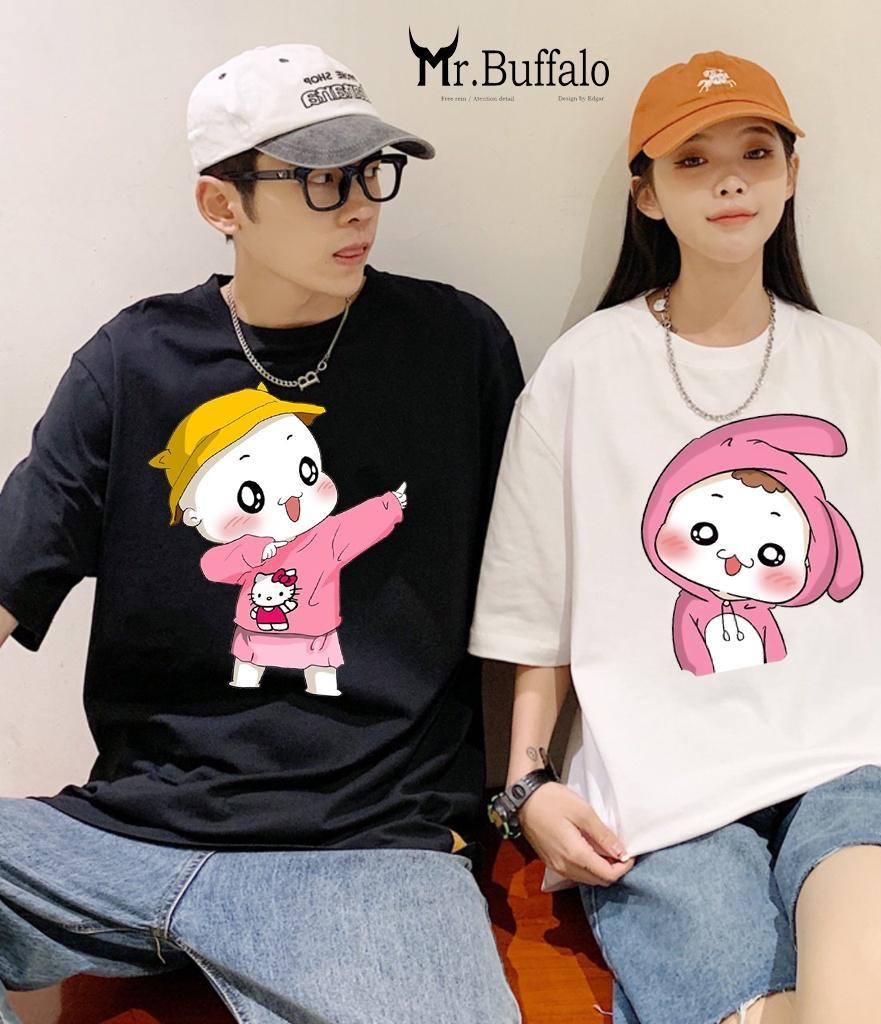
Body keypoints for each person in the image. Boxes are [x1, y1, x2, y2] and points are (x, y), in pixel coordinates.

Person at [469, 50, 881, 1024]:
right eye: (692, 159)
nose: (729, 180)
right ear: (646, 194)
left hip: (864, 771)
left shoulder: (857, 371)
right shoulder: (580, 375)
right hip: (664, 804)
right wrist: (525, 788)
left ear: (791, 173)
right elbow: (535, 619)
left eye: (755, 152)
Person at [0, 42, 523, 1024]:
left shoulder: (456, 348)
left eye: (371, 171)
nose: (360, 206)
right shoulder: (133, 362)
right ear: (220, 204)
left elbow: (539, 588)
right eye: (321, 179)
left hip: (366, 848)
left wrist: (528, 785)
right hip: (126, 836)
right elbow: (9, 574)